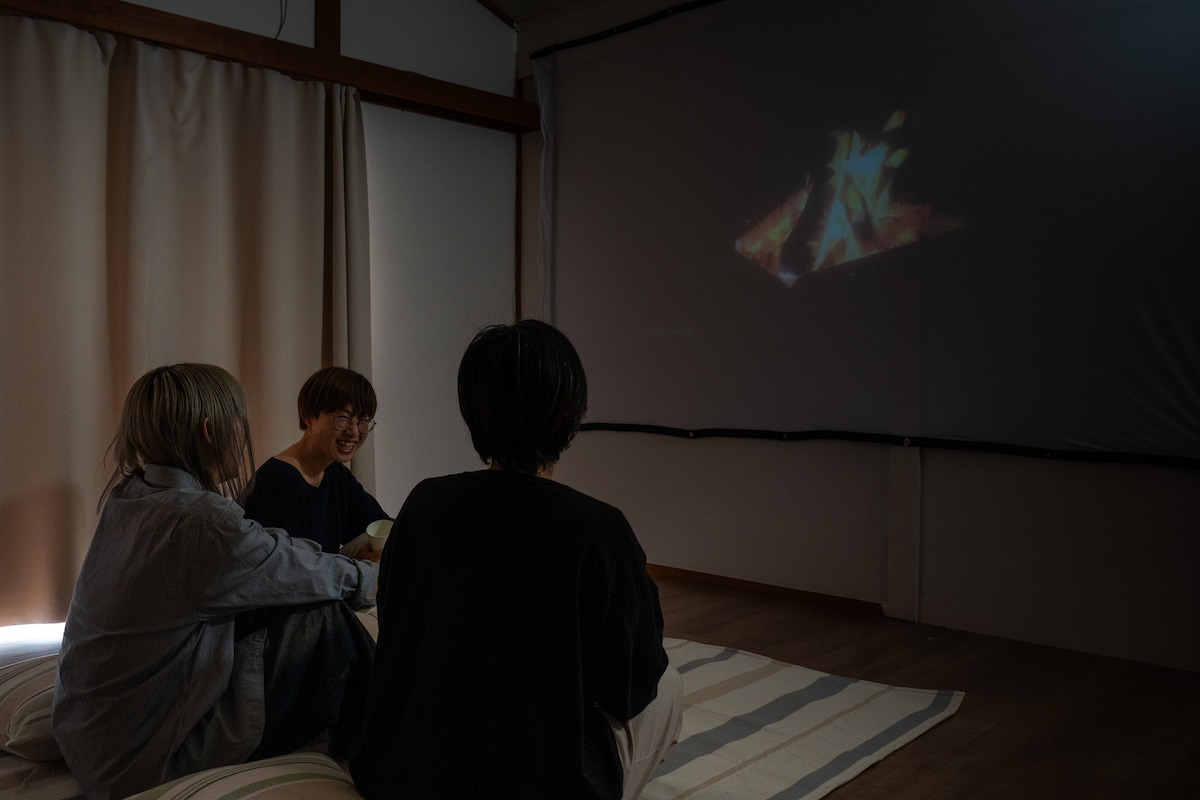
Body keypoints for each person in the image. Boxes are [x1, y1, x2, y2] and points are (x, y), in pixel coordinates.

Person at [350, 320, 683, 800]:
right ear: (571, 413)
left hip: (402, 776)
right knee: (669, 685)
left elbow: (398, 632)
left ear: (473, 410)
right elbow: (630, 686)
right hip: (539, 785)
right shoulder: (598, 528)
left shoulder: (424, 504)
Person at [53, 364, 378, 800]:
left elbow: (272, 550)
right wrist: (392, 578)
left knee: (302, 606)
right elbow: (309, 572)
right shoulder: (204, 520)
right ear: (210, 431)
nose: (245, 434)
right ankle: (395, 748)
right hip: (147, 757)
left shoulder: (131, 496)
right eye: (241, 421)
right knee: (326, 618)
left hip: (92, 745)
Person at [243, 366, 389, 559]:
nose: (354, 432)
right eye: (343, 418)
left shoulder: (336, 474)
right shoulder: (279, 480)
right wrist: (357, 566)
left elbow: (382, 526)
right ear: (309, 416)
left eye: (363, 420)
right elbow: (292, 568)